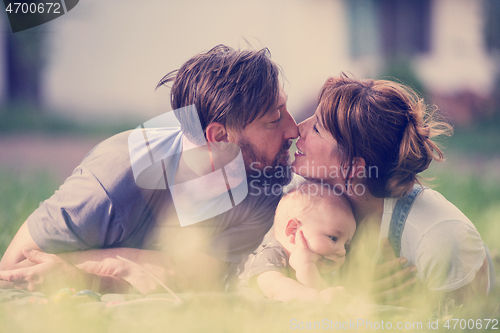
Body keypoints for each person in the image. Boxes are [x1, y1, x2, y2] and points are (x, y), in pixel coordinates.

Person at [0, 45, 299, 294]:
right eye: (274, 120)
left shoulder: (264, 180)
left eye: (286, 109)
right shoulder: (112, 182)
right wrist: (141, 267)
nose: (294, 129)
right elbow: (12, 270)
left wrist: (94, 270)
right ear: (220, 138)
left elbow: (192, 279)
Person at [292, 74, 494, 306]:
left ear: (352, 166)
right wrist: (357, 299)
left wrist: (406, 308)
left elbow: (472, 324)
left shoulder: (439, 237)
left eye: (317, 128)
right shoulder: (301, 205)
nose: (299, 128)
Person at [238, 182, 356, 303]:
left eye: (346, 245)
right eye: (333, 238)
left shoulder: (320, 269)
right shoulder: (269, 256)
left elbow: (328, 300)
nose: (342, 252)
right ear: (293, 230)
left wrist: (308, 269)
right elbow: (276, 289)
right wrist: (306, 271)